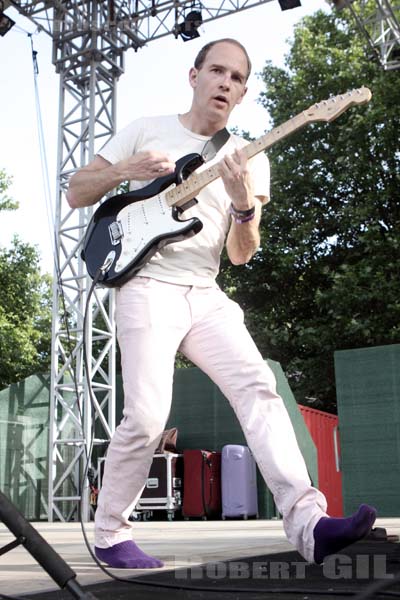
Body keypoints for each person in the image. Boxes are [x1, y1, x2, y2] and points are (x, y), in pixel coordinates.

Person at [66, 38, 377, 569]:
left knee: (259, 387)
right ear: (194, 76)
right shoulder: (146, 128)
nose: (225, 83)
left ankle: (310, 524)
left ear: (243, 92)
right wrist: (126, 170)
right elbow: (76, 191)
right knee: (144, 416)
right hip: (147, 286)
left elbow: (240, 255)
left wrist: (241, 207)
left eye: (236, 78)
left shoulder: (251, 158)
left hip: (205, 292)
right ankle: (112, 534)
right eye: (217, 71)